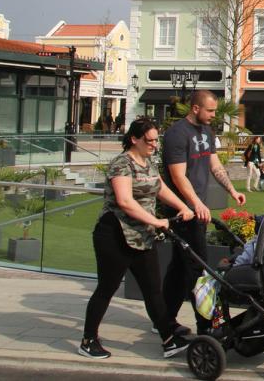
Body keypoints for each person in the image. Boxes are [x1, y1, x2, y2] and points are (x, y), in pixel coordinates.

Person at [80, 117, 193, 360]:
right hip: (115, 235)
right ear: (134, 139)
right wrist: (156, 221)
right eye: (149, 140)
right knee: (107, 288)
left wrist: (183, 207)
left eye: (156, 140)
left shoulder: (148, 162)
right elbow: (124, 201)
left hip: (142, 236)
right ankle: (88, 340)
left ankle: (168, 340)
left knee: (153, 290)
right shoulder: (121, 164)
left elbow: (160, 188)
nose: (154, 145)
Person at [160, 91, 246, 338]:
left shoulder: (207, 131)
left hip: (197, 209)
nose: (213, 115)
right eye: (210, 110)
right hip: (182, 211)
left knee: (179, 266)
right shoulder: (177, 134)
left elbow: (214, 165)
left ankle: (163, 318)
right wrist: (196, 204)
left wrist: (232, 190)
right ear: (195, 108)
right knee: (197, 267)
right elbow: (178, 176)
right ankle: (205, 325)